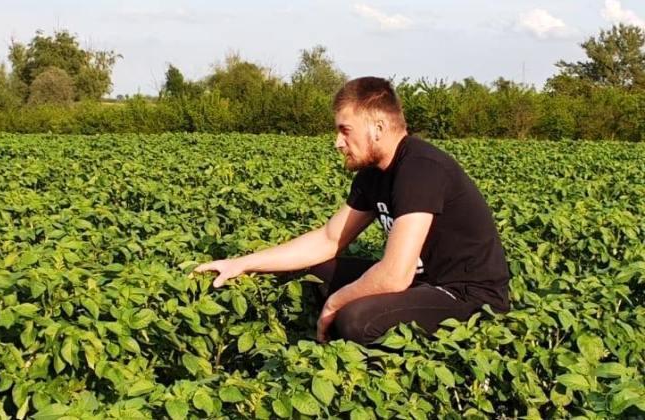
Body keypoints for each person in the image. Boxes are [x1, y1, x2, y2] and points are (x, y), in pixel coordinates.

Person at [194, 77, 510, 345]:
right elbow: (329, 239)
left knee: (355, 320)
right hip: (422, 283)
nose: (337, 142)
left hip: (467, 297)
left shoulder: (419, 168)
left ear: (378, 127)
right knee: (314, 273)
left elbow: (394, 276)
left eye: (345, 130)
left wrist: (336, 302)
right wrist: (243, 263)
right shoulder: (373, 174)